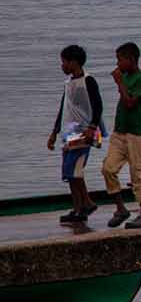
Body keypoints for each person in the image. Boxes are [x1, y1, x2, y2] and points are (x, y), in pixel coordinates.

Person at [49, 44, 104, 225]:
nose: (62, 66)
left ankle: (86, 203)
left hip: (84, 132)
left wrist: (92, 126)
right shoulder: (68, 84)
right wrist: (54, 132)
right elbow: (63, 108)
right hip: (69, 133)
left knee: (76, 170)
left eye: (64, 62)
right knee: (69, 172)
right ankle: (78, 207)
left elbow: (98, 105)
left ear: (73, 62)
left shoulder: (88, 81)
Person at [101, 42, 141, 229]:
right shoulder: (125, 77)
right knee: (108, 168)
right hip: (120, 132)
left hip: (136, 134)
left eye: (120, 59)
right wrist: (121, 81)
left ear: (131, 60)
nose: (118, 63)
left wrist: (120, 83)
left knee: (138, 175)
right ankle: (121, 208)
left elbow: (130, 103)